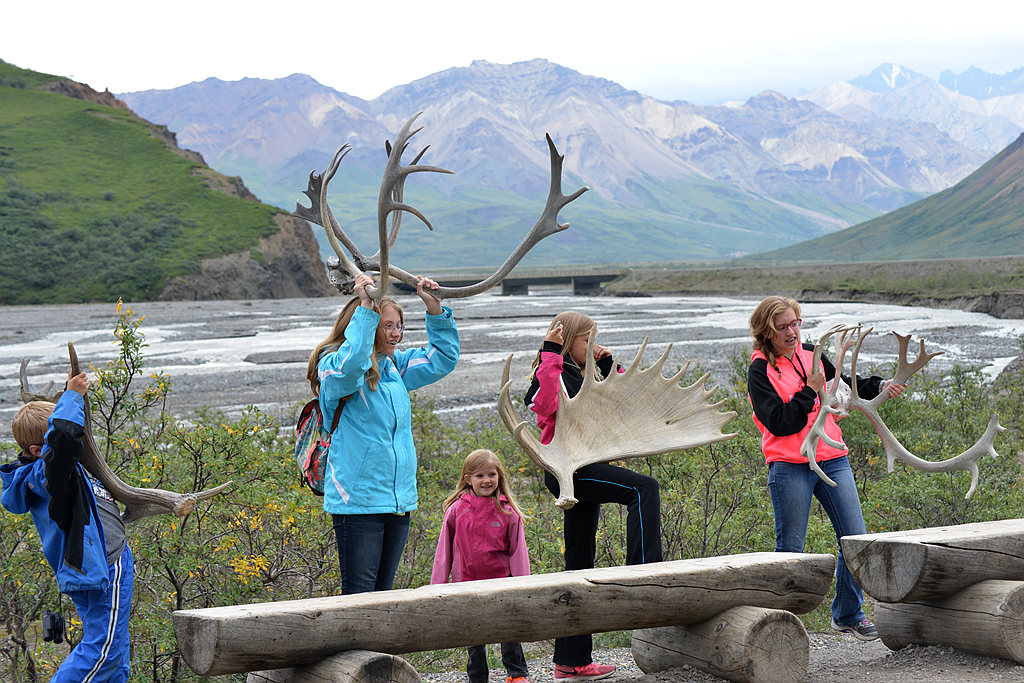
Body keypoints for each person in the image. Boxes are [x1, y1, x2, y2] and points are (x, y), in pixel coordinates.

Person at [746, 296, 905, 641]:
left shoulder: (811, 354)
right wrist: (809, 391)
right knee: (790, 547)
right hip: (790, 465)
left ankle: (848, 613)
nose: (792, 331)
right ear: (767, 332)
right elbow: (779, 422)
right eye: (783, 326)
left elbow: (844, 385)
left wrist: (878, 386)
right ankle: (779, 626)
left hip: (832, 458)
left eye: (795, 323)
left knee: (856, 538)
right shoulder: (759, 371)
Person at [524, 312, 662, 681]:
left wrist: (607, 364)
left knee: (579, 563)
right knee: (643, 488)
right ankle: (646, 571)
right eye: (587, 341)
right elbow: (545, 404)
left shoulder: (583, 371)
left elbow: (620, 402)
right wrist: (551, 353)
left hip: (583, 464)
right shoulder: (550, 371)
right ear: (568, 341)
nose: (592, 344)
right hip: (571, 471)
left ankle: (570, 661)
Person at [306, 273, 459, 594]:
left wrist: (434, 309)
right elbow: (351, 368)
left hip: (397, 501)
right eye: (386, 325)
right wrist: (365, 307)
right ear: (365, 324)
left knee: (383, 594)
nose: (396, 334)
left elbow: (442, 359)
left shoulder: (394, 368)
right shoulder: (331, 366)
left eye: (399, 325)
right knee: (360, 597)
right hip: (358, 503)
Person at [1, 372, 134, 682]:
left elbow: (66, 452)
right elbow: (62, 439)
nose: (78, 438)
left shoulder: (57, 474)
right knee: (104, 649)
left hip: (100, 565)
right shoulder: (47, 474)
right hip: (103, 568)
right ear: (37, 451)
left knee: (116, 649)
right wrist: (72, 396)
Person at [431, 449, 531, 683]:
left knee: (508, 628)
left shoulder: (508, 511)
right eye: (479, 476)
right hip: (467, 584)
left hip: (501, 583)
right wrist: (437, 586)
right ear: (468, 479)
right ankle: (477, 678)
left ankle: (516, 674)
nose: (487, 480)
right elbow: (443, 550)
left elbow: (518, 551)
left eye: (492, 475)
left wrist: (525, 584)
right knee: (473, 634)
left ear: (499, 477)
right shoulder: (457, 510)